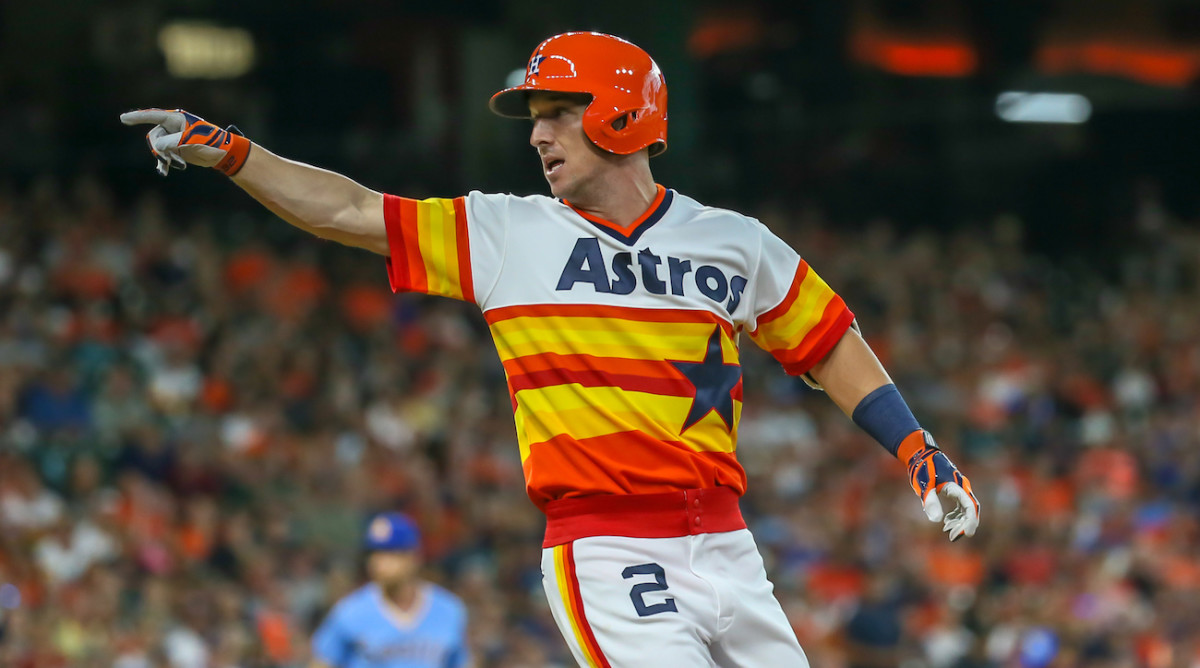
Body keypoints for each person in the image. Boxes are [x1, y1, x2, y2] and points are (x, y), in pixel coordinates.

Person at [121, 30, 980, 667]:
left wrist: (917, 448)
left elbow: (830, 342)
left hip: (727, 541)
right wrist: (235, 153)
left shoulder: (734, 241)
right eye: (538, 118)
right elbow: (349, 210)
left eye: (559, 113)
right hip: (606, 547)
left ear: (622, 113)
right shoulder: (505, 229)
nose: (538, 136)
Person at [308, 512, 470, 668]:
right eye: (375, 553)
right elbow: (321, 663)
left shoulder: (449, 610)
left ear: (413, 557)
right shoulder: (350, 611)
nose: (379, 562)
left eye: (390, 553)